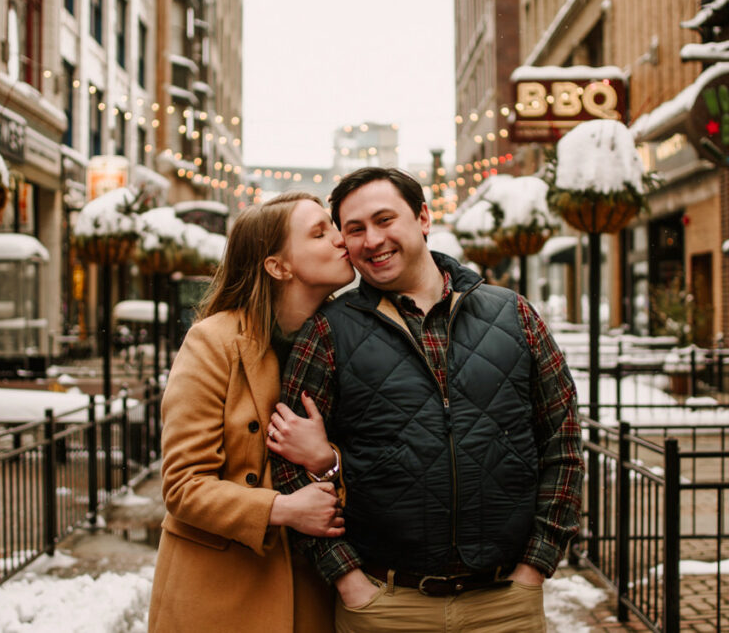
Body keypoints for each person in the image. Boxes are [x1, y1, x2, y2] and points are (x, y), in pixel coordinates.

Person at [273, 167, 584, 632]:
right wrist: (348, 580)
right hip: (385, 605)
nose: (372, 239)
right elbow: (289, 467)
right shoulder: (327, 331)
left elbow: (563, 442)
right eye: (354, 229)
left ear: (422, 217)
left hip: (505, 606)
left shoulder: (514, 315)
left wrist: (535, 568)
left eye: (384, 219)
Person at [148, 192, 355, 633]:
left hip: (313, 590)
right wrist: (282, 509)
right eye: (320, 232)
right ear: (278, 266)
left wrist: (327, 459)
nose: (341, 239)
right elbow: (183, 485)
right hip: (219, 594)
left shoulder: (349, 338)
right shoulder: (214, 342)